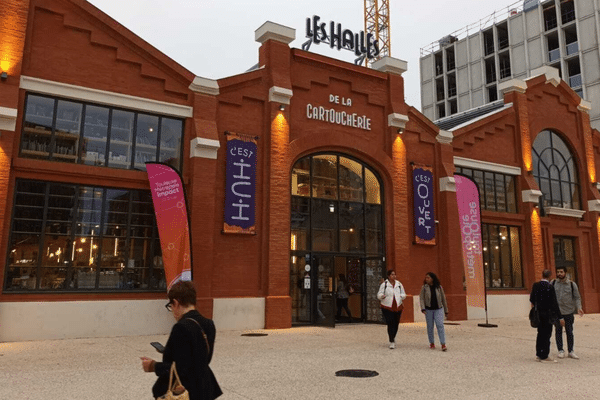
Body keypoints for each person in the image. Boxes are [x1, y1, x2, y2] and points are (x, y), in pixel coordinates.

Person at [141, 281, 222, 399]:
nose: (172, 311)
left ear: (176, 303)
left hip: (185, 392)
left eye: (171, 306)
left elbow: (181, 368)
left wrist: (153, 366)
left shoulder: (181, 327)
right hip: (205, 388)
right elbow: (202, 358)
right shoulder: (209, 324)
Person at [530, 269, 565, 363]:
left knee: (540, 334)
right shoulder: (549, 287)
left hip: (538, 314)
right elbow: (554, 303)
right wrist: (560, 316)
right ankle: (544, 355)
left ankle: (538, 354)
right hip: (548, 315)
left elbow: (532, 299)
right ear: (549, 276)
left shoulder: (535, 285)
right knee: (547, 335)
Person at [552, 266, 584, 359]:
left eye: (561, 272)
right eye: (558, 272)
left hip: (568, 312)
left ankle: (571, 351)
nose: (559, 274)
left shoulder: (571, 284)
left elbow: (577, 297)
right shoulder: (553, 283)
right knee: (558, 331)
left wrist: (579, 307)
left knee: (569, 332)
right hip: (557, 312)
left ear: (565, 273)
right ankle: (560, 350)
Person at [419, 272, 449, 351]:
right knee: (430, 327)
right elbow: (421, 298)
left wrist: (446, 310)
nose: (427, 279)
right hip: (428, 310)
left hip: (438, 309)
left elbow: (443, 299)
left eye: (428, 277)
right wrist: (423, 308)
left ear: (432, 278)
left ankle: (443, 344)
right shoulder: (424, 287)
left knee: (440, 325)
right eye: (426, 278)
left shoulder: (439, 287)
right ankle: (431, 342)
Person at [377, 270, 406, 349]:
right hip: (387, 306)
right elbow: (379, 294)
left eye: (395, 274)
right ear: (389, 276)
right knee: (390, 323)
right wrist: (381, 296)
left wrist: (401, 296)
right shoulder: (384, 284)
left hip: (398, 306)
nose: (394, 276)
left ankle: (393, 337)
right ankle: (391, 340)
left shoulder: (399, 284)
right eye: (392, 274)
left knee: (396, 323)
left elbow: (403, 293)